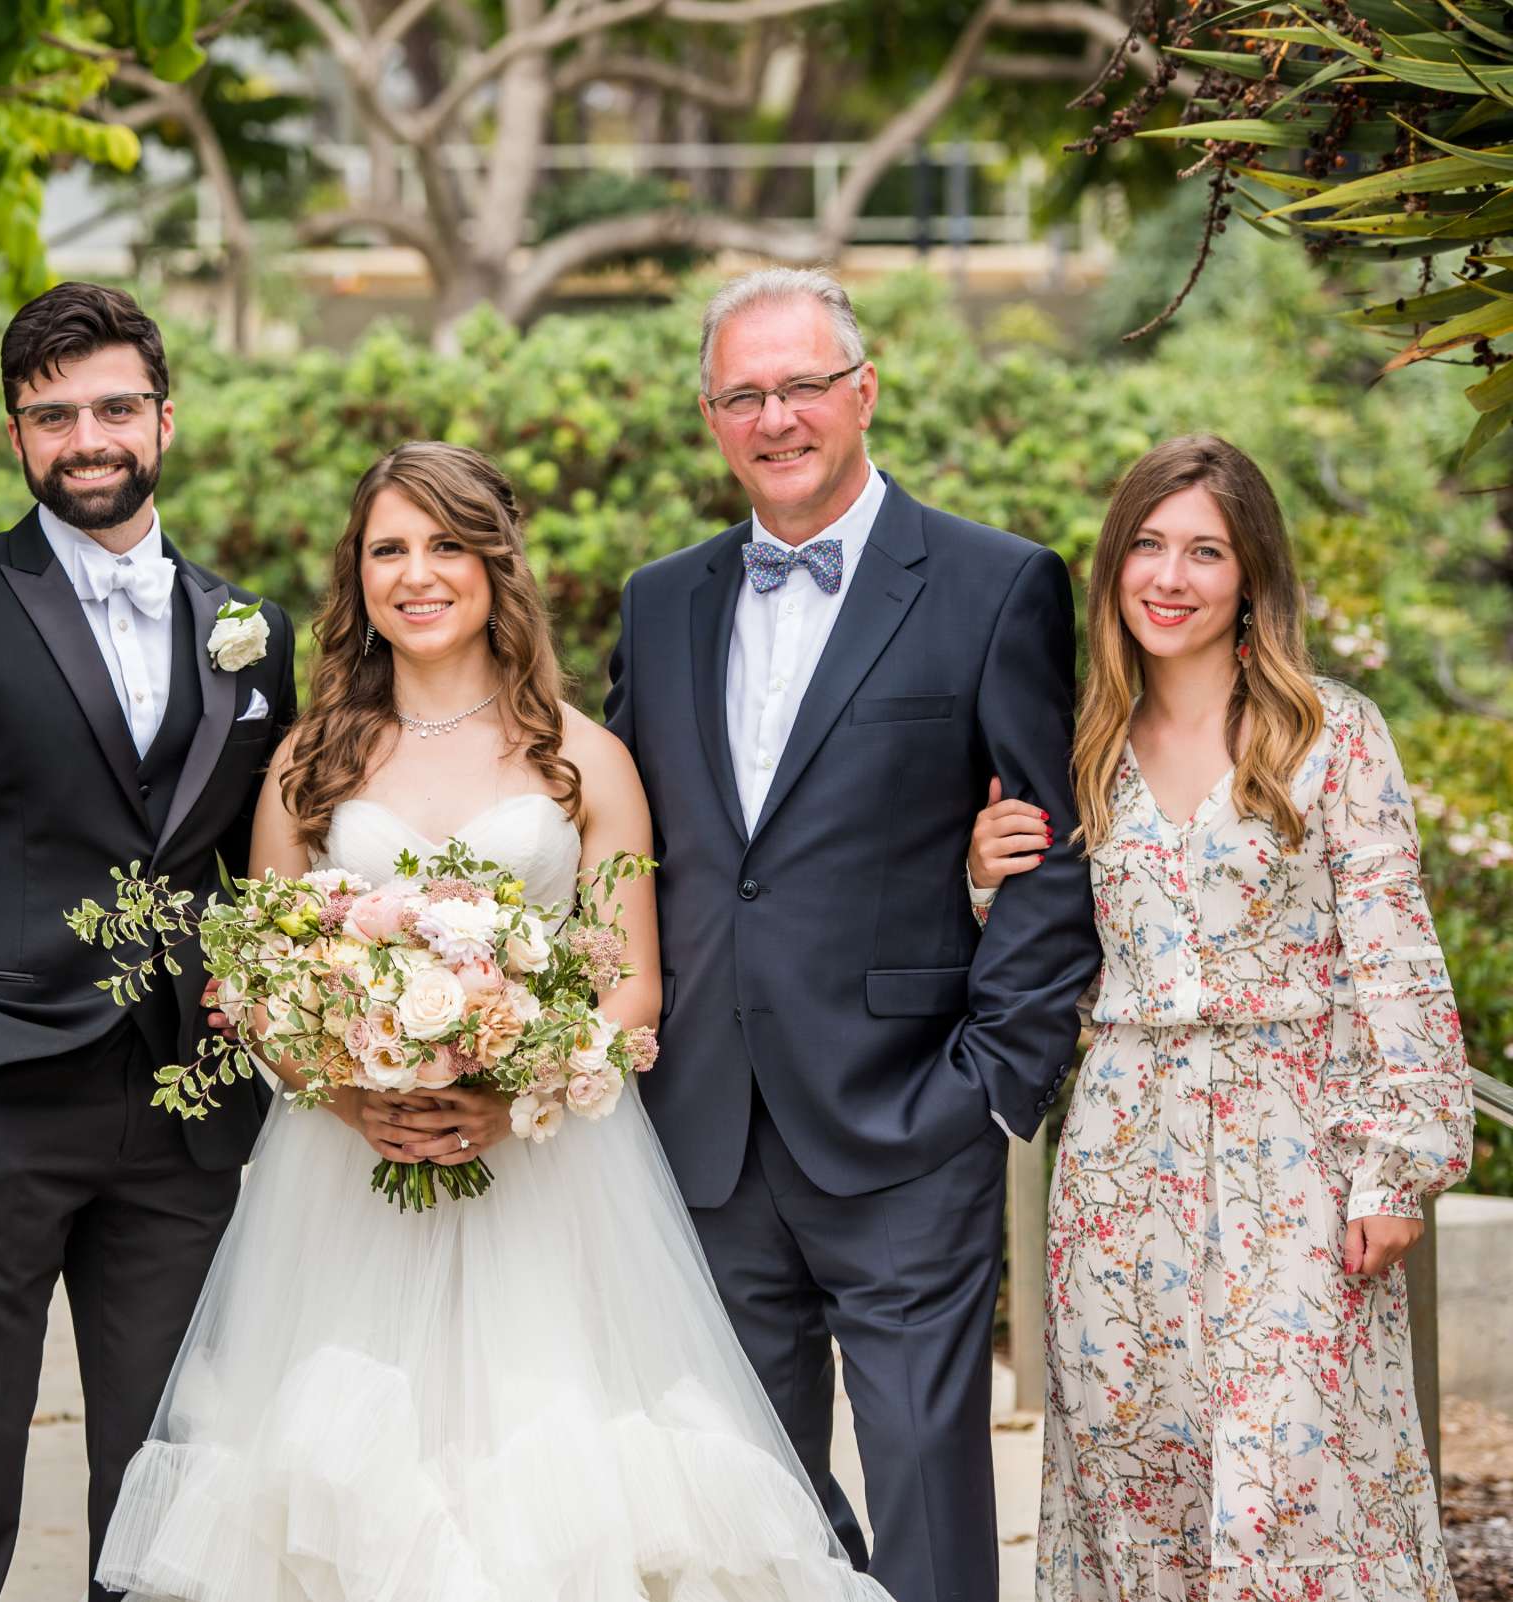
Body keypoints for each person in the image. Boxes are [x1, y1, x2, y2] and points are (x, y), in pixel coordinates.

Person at [93, 440, 891, 1601]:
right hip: (344, 1188)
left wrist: (511, 1100)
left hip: (554, 1193)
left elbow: (631, 990)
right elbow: (261, 979)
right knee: (334, 1496)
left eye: (447, 545)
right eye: (390, 549)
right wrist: (354, 1089)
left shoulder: (586, 760)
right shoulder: (306, 765)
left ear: (497, 565)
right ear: (356, 576)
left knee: (561, 1497)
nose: (418, 573)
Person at [603, 268, 1102, 1602]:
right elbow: (628, 847)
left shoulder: (993, 587)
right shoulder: (659, 603)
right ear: (713, 418)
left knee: (931, 1497)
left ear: (863, 391)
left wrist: (995, 1082)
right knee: (743, 1508)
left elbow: (1054, 857)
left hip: (908, 1128)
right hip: (704, 1132)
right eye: (744, 394)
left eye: (803, 385)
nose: (776, 416)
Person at [0, 282, 296, 1602]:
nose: (86, 437)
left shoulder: (246, 628)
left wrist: (261, 1013)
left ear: (164, 415)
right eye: (52, 415)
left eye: (111, 407)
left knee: (167, 1490)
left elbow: (263, 864)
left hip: (186, 1111)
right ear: (18, 434)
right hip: (1, 1092)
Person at [968, 434, 1472, 1601]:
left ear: (1252, 575)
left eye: (1206, 550)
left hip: (1295, 1148)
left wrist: (1395, 1167)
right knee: (1133, 1462)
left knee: (1299, 1472)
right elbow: (1050, 967)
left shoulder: (1330, 735)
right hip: (1121, 1157)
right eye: (1146, 545)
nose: (1171, 576)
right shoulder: (1075, 749)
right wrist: (985, 880)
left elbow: (1394, 959)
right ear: (1113, 567)